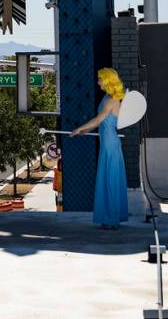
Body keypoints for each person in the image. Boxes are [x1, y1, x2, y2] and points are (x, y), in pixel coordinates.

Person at [70, 67, 129, 228]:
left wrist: (79, 128)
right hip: (107, 142)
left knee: (110, 179)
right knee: (108, 179)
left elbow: (98, 119)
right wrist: (85, 131)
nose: (98, 81)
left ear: (108, 81)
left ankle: (112, 219)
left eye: (100, 79)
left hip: (110, 143)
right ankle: (109, 218)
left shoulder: (112, 100)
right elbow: (100, 123)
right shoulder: (106, 97)